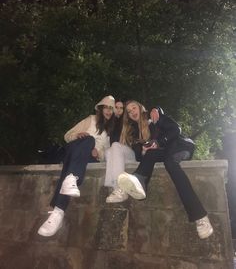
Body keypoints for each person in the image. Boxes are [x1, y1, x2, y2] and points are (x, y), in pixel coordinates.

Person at [117, 100, 214, 239]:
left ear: (140, 108)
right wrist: (145, 150)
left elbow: (175, 129)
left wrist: (158, 112)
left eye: (133, 108)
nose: (132, 112)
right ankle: (138, 182)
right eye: (129, 111)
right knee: (150, 154)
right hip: (165, 151)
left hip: (181, 146)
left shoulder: (155, 117)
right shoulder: (137, 132)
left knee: (170, 163)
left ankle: (201, 217)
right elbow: (140, 156)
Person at [38, 95, 115, 237]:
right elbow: (67, 135)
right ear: (101, 108)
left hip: (88, 158)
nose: (109, 111)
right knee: (89, 139)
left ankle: (58, 212)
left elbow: (105, 153)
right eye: (106, 107)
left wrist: (98, 153)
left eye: (112, 108)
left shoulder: (108, 133)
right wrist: (78, 135)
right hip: (74, 149)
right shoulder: (90, 119)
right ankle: (71, 179)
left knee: (75, 164)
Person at [104, 100, 137, 203]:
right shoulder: (109, 124)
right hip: (117, 155)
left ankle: (121, 189)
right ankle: (115, 189)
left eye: (121, 108)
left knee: (115, 146)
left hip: (130, 154)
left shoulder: (129, 122)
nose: (118, 110)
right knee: (108, 152)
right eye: (116, 107)